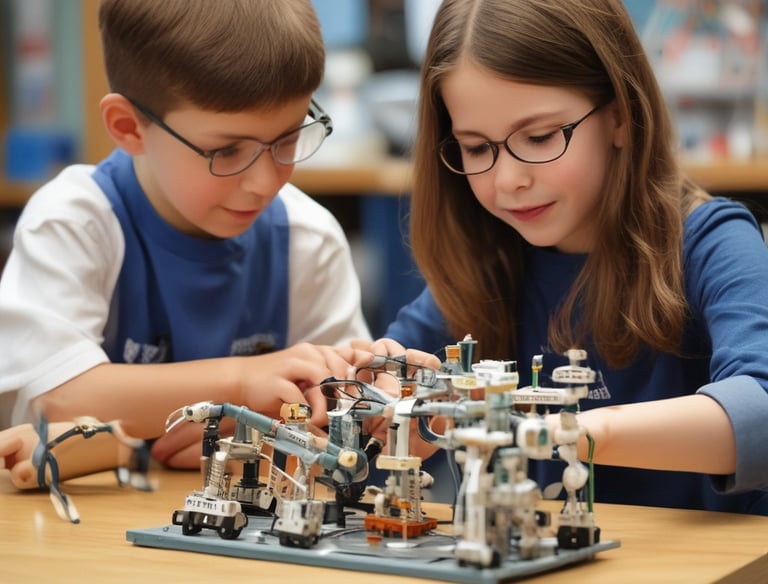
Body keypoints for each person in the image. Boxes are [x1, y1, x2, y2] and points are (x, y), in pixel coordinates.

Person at [375, 0, 768, 514]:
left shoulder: (710, 242)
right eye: (476, 148)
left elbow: (760, 406)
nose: (508, 179)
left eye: (539, 137)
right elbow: (396, 379)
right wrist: (387, 400)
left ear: (620, 116)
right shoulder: (487, 263)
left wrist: (571, 430)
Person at [0, 0, 382, 469]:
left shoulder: (307, 238)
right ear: (128, 127)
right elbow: (56, 401)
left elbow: (339, 409)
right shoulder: (74, 222)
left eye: (287, 139)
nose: (265, 181)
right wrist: (240, 387)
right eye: (226, 151)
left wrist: (246, 428)